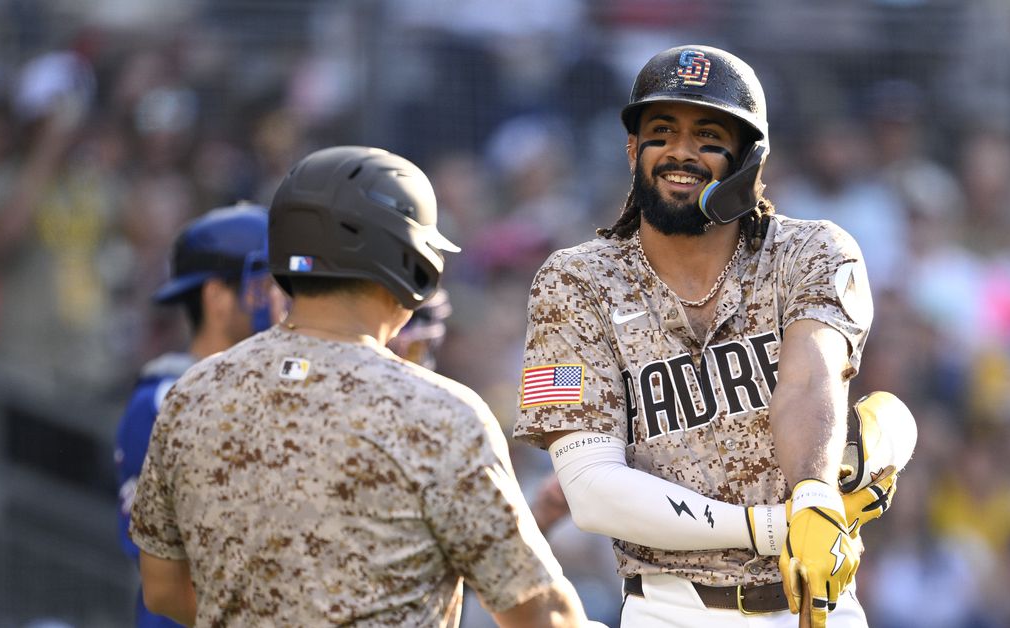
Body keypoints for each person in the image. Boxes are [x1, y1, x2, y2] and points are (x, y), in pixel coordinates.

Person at [513, 45, 896, 627]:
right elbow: (591, 489)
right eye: (661, 130)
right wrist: (776, 526)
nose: (680, 152)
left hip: (815, 604)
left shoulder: (812, 251)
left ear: (749, 160)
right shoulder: (573, 281)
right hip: (669, 608)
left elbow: (811, 377)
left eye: (709, 135)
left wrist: (815, 497)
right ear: (632, 148)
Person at [128, 146, 591, 627]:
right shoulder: (438, 413)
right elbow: (539, 613)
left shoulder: (193, 392)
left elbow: (162, 589)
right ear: (412, 265)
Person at [114, 203, 284, 628]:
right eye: (264, 285)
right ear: (216, 297)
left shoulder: (280, 386)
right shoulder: (161, 401)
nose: (281, 300)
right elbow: (174, 567)